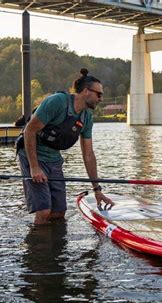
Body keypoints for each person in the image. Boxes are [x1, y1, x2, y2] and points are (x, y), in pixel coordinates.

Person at [17, 68, 114, 224]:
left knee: (59, 212)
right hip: (32, 155)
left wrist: (97, 190)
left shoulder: (87, 117)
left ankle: (56, 246)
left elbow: (88, 155)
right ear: (86, 91)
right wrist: (34, 167)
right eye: (99, 94)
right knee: (44, 211)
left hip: (54, 158)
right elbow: (29, 130)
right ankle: (38, 246)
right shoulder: (57, 102)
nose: (101, 98)